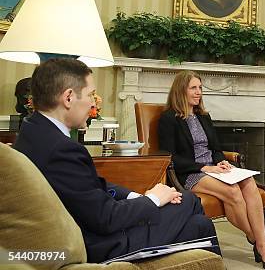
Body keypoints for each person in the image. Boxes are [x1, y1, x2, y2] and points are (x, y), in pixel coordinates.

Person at [13, 59, 217, 263]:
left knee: (200, 224)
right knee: (190, 201)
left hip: (89, 228)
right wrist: (152, 200)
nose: (94, 103)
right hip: (102, 245)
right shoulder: (61, 148)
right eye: (90, 94)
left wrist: (135, 196)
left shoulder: (33, 132)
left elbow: (87, 187)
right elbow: (106, 218)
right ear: (68, 97)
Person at [158, 71, 265, 270]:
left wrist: (222, 162)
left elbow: (215, 148)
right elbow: (170, 156)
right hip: (191, 173)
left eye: (200, 88)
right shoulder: (168, 119)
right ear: (181, 90)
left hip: (214, 168)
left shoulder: (203, 116)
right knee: (233, 191)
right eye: (193, 88)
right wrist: (204, 167)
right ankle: (260, 242)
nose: (198, 92)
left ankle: (259, 241)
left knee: (248, 183)